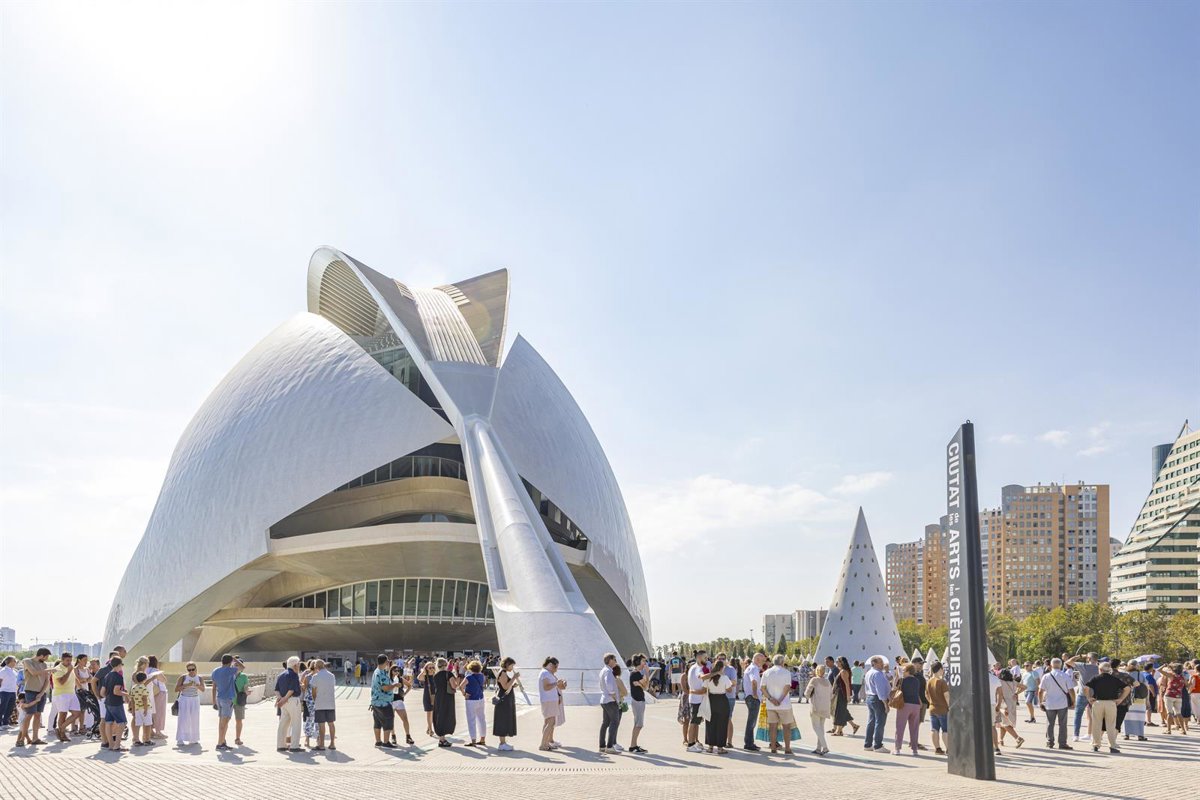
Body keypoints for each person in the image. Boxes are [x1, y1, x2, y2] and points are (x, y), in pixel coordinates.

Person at [1084, 661, 1130, 753]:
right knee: (1111, 725)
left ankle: (1096, 745)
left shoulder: (1096, 678)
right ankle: (1112, 746)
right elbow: (1127, 688)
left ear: (1100, 669)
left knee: (1096, 724)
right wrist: (1120, 699)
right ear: (1109, 670)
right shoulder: (1114, 679)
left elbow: (1086, 688)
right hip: (1111, 703)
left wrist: (1089, 698)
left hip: (1098, 702)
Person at [17, 647, 51, 747]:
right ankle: (21, 739)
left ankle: (35, 738)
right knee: (29, 715)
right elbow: (33, 672)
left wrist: (41, 693)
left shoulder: (44, 665)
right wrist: (49, 670)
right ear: (41, 655)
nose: (47, 659)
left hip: (41, 693)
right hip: (30, 691)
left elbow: (47, 681)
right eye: (46, 657)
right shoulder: (27, 661)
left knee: (37, 715)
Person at [762, 654, 795, 755]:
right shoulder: (786, 672)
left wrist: (771, 699)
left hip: (770, 704)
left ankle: (773, 747)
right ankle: (787, 748)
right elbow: (787, 687)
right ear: (782, 662)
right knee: (786, 727)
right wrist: (780, 699)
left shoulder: (766, 672)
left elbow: (762, 688)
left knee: (772, 727)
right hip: (784, 704)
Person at [699, 658, 733, 754]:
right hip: (722, 700)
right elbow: (730, 690)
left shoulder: (709, 678)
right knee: (722, 724)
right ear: (722, 668)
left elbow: (704, 689)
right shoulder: (725, 678)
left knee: (710, 723)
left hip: (711, 700)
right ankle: (720, 748)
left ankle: (710, 747)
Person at [210, 653, 241, 751]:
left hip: (219, 698)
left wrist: (213, 702)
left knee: (221, 722)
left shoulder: (215, 671)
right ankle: (220, 743)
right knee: (225, 722)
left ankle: (222, 741)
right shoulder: (230, 670)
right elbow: (242, 667)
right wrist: (235, 659)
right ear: (230, 661)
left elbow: (214, 687)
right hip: (227, 699)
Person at [1067, 652, 1099, 742]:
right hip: (1095, 695)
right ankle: (1093, 735)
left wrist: (1080, 656)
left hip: (1083, 694)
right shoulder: (1099, 668)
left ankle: (1076, 735)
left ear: (1089, 659)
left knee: (1078, 715)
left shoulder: (1084, 666)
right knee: (1095, 716)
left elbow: (1068, 661)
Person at [307, 659, 336, 751]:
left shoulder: (315, 676)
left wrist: (316, 700)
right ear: (324, 665)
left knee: (321, 725)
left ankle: (322, 745)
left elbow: (313, 692)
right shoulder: (332, 676)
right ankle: (332, 743)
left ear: (316, 667)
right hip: (330, 703)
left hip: (320, 703)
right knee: (331, 723)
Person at [893, 662, 923, 755]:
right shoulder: (917, 680)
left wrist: (897, 676)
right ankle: (914, 749)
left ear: (908, 671)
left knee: (900, 727)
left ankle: (897, 749)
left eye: (904, 670)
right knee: (914, 728)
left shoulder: (902, 680)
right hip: (916, 705)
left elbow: (894, 689)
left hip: (905, 704)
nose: (903, 672)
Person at [369, 654, 398, 749]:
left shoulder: (376, 671)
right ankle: (386, 742)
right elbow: (385, 688)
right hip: (383, 702)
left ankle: (378, 741)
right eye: (387, 661)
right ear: (385, 662)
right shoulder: (381, 673)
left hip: (375, 702)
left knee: (377, 722)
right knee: (388, 721)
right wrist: (395, 685)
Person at [538, 656, 566, 751]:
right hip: (549, 700)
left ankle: (546, 743)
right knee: (551, 722)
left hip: (549, 700)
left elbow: (554, 686)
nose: (556, 669)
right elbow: (546, 687)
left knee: (547, 722)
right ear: (550, 664)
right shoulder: (545, 673)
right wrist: (556, 683)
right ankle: (543, 744)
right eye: (555, 666)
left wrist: (560, 684)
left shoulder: (548, 673)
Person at [275, 655, 303, 753]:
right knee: (296, 723)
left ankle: (281, 745)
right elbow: (292, 689)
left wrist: (280, 699)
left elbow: (276, 690)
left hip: (284, 702)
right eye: (298, 664)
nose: (299, 666)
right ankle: (294, 746)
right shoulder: (294, 675)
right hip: (292, 700)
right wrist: (284, 699)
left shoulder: (281, 675)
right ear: (295, 665)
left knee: (283, 723)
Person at [863, 655, 890, 752]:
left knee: (871, 722)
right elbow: (880, 691)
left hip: (870, 697)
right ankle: (878, 745)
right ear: (874, 663)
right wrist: (885, 704)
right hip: (878, 699)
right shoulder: (878, 674)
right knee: (880, 722)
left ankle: (868, 744)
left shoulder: (869, 672)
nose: (882, 664)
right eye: (880, 662)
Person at [432, 656, 460, 748]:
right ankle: (442, 739)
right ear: (446, 664)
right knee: (447, 715)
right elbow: (454, 686)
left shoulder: (435, 675)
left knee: (440, 715)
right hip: (447, 697)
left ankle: (441, 738)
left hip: (438, 697)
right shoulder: (449, 674)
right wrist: (457, 681)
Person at [100, 657, 128, 752]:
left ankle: (111, 744)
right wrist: (127, 694)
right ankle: (117, 745)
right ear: (119, 665)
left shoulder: (107, 676)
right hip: (116, 703)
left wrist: (108, 697)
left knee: (108, 722)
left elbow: (102, 692)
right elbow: (116, 691)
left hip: (108, 702)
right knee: (122, 723)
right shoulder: (118, 677)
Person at [993, 668, 1023, 752]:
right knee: (1003, 723)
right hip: (1012, 703)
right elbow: (1024, 687)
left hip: (1003, 704)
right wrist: (1016, 693)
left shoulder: (1000, 682)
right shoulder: (1013, 682)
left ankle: (1018, 738)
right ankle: (1000, 740)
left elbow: (999, 694)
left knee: (1005, 724)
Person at [173, 662, 203, 747]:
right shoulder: (183, 677)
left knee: (194, 718)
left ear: (196, 669)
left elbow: (203, 689)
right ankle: (180, 739)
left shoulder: (199, 678)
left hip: (195, 699)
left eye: (193, 669)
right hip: (184, 699)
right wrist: (186, 685)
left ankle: (194, 738)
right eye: (189, 670)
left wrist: (197, 685)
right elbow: (176, 689)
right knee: (183, 719)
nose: (191, 671)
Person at [805, 663, 832, 755]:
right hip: (825, 707)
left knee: (816, 727)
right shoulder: (827, 681)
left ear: (816, 671)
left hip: (816, 706)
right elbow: (831, 694)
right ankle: (818, 748)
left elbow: (807, 693)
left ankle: (825, 747)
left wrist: (809, 696)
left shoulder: (814, 680)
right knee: (821, 728)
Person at [50, 652, 78, 742]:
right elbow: (62, 682)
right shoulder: (57, 669)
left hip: (72, 693)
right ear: (62, 660)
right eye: (67, 660)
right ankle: (62, 734)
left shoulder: (70, 667)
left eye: (70, 660)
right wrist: (69, 671)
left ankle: (61, 729)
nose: (69, 662)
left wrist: (80, 686)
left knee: (77, 713)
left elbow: (74, 679)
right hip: (61, 694)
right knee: (63, 714)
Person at [597, 652, 621, 754]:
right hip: (610, 700)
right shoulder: (608, 671)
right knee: (614, 722)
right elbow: (609, 685)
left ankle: (602, 746)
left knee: (605, 723)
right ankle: (610, 746)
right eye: (614, 660)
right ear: (610, 660)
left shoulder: (603, 670)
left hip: (604, 700)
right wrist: (614, 696)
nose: (616, 662)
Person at [493, 657, 518, 751]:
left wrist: (512, 685)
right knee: (503, 720)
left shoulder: (503, 672)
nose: (512, 668)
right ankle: (502, 744)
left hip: (505, 699)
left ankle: (503, 742)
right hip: (504, 700)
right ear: (507, 664)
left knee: (504, 719)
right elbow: (505, 687)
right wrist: (514, 678)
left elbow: (505, 686)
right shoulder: (503, 673)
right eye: (512, 665)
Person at [742, 651, 764, 751]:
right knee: (752, 722)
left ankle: (749, 742)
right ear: (757, 660)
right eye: (762, 660)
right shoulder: (754, 668)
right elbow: (754, 681)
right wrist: (755, 694)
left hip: (750, 697)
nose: (763, 662)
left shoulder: (751, 668)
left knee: (751, 721)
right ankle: (749, 743)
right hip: (752, 697)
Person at [627, 654, 649, 753]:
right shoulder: (635, 674)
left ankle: (634, 745)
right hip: (638, 701)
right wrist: (647, 674)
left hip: (638, 700)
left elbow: (645, 687)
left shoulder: (637, 674)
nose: (645, 663)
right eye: (643, 661)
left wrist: (641, 684)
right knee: (638, 725)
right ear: (638, 662)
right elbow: (646, 686)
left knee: (638, 724)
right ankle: (633, 746)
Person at [926, 660, 950, 755]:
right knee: (945, 730)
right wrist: (949, 706)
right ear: (940, 669)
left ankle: (938, 749)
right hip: (942, 709)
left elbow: (926, 695)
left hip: (932, 708)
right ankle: (948, 749)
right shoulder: (942, 682)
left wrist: (931, 702)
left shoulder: (929, 682)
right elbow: (946, 696)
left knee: (934, 729)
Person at [389, 660, 414, 746]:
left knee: (405, 719)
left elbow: (409, 685)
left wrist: (405, 694)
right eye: (395, 670)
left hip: (399, 701)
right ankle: (393, 736)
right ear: (391, 671)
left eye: (398, 670)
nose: (397, 672)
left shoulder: (400, 679)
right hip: (390, 701)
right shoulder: (388, 679)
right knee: (391, 720)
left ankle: (408, 736)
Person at [463, 659, 488, 747]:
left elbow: (461, 686)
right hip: (480, 698)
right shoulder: (481, 676)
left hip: (471, 700)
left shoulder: (468, 677)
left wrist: (464, 694)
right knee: (481, 719)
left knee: (471, 720)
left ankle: (473, 740)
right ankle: (482, 739)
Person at [832, 656, 858, 736]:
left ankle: (839, 731)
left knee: (840, 711)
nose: (836, 662)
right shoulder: (842, 670)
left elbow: (847, 684)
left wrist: (848, 696)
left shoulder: (843, 671)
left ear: (841, 662)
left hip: (842, 694)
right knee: (842, 710)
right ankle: (853, 726)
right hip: (839, 693)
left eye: (837, 661)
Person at [1122, 660, 1148, 742]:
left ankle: (1126, 734)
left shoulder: (1125, 674)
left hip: (1127, 699)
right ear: (1137, 666)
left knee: (1127, 717)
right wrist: (1147, 701)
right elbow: (1146, 687)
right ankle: (1140, 735)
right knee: (1140, 718)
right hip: (1139, 699)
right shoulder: (1141, 675)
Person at [1159, 663, 1187, 735]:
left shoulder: (1171, 675)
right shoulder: (1183, 677)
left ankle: (1168, 730)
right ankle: (1183, 730)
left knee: (1169, 713)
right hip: (1178, 696)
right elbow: (1187, 685)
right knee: (1179, 713)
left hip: (1169, 695)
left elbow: (1159, 670)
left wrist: (1164, 665)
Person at [144, 655, 168, 740]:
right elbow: (164, 680)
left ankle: (151, 731)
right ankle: (158, 732)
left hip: (149, 693)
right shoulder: (156, 671)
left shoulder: (145, 671)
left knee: (151, 713)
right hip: (160, 692)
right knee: (159, 712)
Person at [128, 671, 153, 746]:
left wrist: (133, 710)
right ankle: (147, 740)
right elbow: (144, 699)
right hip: (145, 708)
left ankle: (136, 740)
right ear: (145, 679)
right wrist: (145, 709)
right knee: (148, 724)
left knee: (137, 724)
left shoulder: (134, 687)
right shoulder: (143, 687)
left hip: (137, 709)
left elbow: (132, 700)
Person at [232, 655, 249, 746]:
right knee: (225, 720)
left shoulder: (244, 676)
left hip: (239, 700)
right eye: (235, 665)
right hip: (229, 700)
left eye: (238, 665)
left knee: (239, 720)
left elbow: (245, 687)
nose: (237, 667)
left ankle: (237, 738)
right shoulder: (229, 675)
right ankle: (223, 739)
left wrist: (247, 691)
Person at [0, 656, 19, 732]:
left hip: (13, 692)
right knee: (2, 708)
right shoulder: (3, 671)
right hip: (4, 692)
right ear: (9, 662)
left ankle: (5, 723)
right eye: (14, 661)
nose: (15, 663)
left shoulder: (14, 671)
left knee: (10, 708)